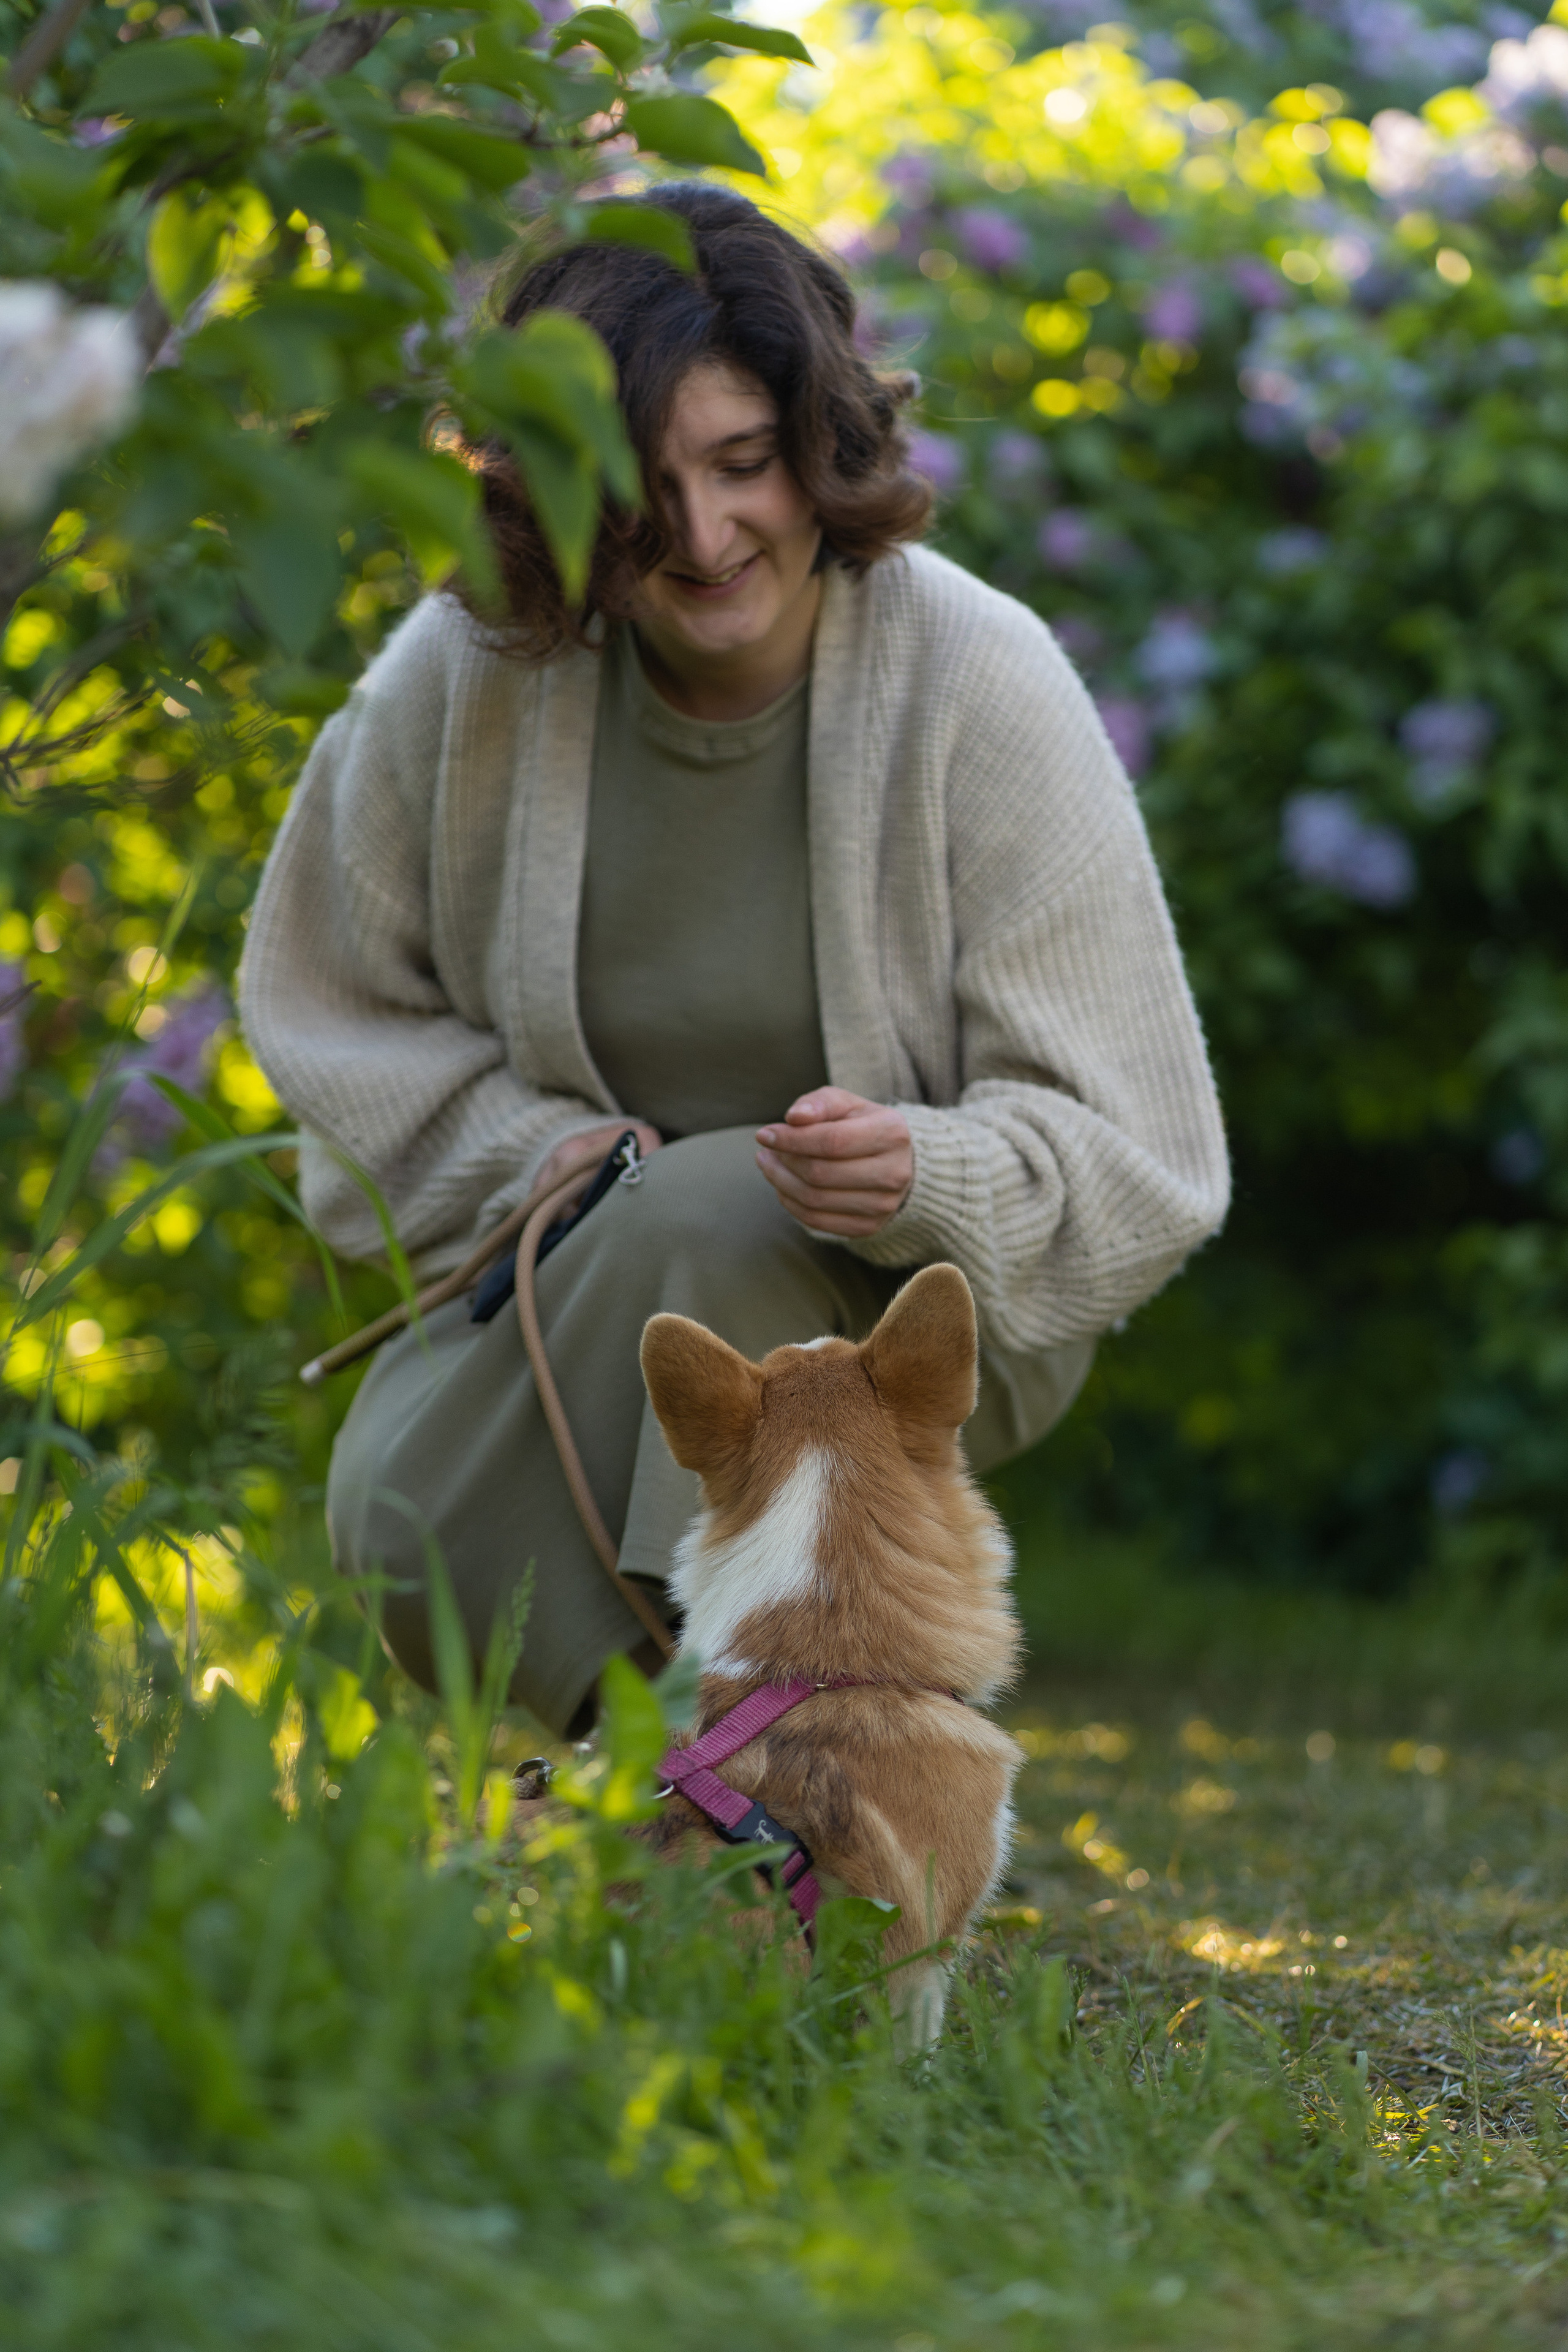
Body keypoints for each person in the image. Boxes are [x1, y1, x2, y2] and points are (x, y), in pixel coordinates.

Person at [241, 183, 1229, 1738]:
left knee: (710, 1202)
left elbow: (1146, 1158)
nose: (702, 538)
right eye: (644, 491)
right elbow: (332, 1007)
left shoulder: (978, 678)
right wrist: (535, 1157)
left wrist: (925, 1171)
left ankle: (748, 1802)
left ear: (816, 446)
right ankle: (700, 1783)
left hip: (926, 1299)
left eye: (743, 465)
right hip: (572, 1271)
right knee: (400, 1515)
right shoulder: (473, 669)